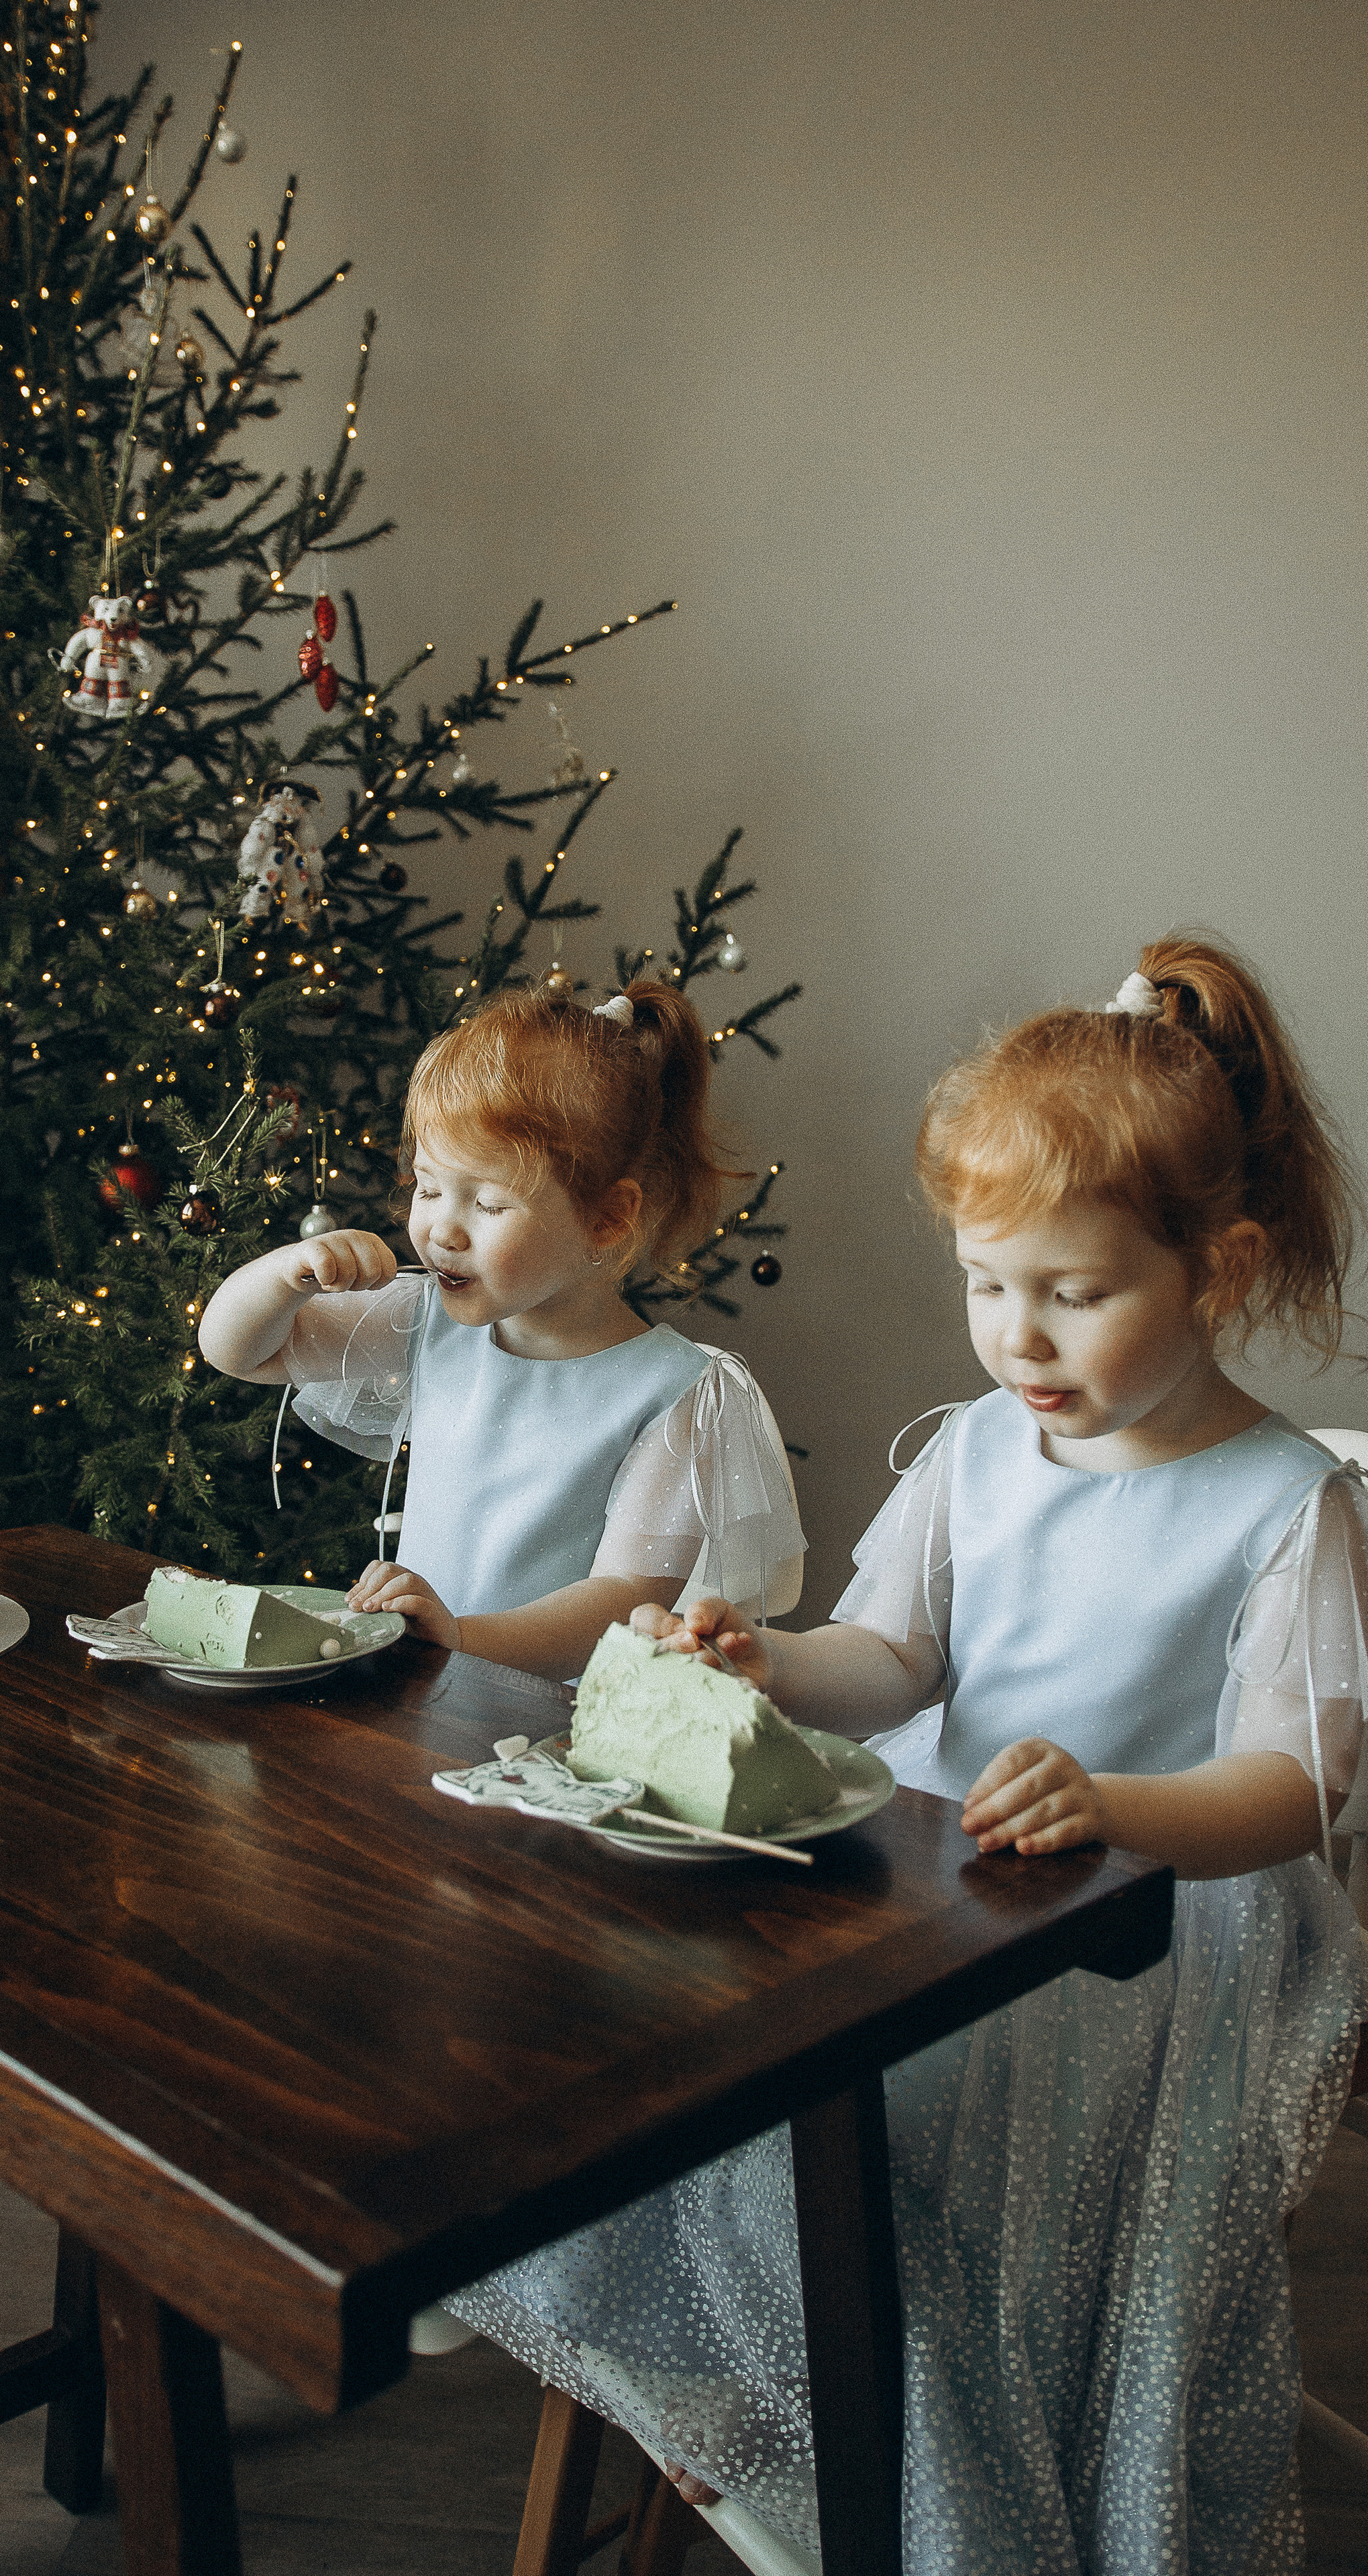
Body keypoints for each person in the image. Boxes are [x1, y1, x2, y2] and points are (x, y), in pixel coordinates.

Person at [448, 938, 1368, 2574]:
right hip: (937, 1887)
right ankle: (776, 2423)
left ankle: (919, 2479)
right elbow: (888, 1663)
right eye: (983, 1280)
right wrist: (763, 1656)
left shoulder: (1282, 1506)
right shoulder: (970, 1450)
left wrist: (1111, 1806)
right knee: (678, 2078)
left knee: (903, 2170)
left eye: (1071, 1293)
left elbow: (1290, 1788)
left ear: (1213, 1271)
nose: (1015, 1334)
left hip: (1147, 1936)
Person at [196, 981, 804, 1679]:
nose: (440, 1230)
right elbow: (239, 1351)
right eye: (427, 1188)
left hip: (539, 1721)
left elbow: (624, 1599)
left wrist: (459, 1637)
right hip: (416, 1679)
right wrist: (284, 1275)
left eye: (488, 1203)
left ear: (606, 1218)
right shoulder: (425, 1319)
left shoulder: (676, 1394)